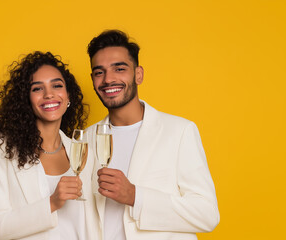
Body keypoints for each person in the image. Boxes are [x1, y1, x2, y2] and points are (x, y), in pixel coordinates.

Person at [85, 30, 220, 240]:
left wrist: (135, 197)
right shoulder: (84, 139)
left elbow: (207, 214)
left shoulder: (179, 131)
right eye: (99, 72)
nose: (108, 79)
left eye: (119, 69)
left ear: (138, 74)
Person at [0, 51, 98, 240]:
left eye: (57, 85)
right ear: (27, 99)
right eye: (37, 88)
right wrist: (52, 202)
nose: (49, 94)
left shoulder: (84, 152)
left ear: (68, 96)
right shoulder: (3, 146)